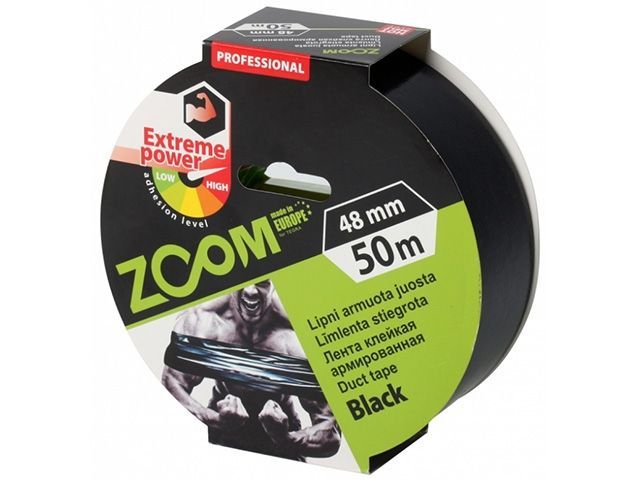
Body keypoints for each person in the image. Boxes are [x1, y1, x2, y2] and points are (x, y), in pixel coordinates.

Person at [161, 280, 341, 460]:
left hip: (281, 443)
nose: (250, 291)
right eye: (242, 280)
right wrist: (213, 419)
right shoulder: (203, 320)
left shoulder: (297, 335)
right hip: (220, 435)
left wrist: (284, 438)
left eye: (262, 282)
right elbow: (170, 387)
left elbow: (330, 434)